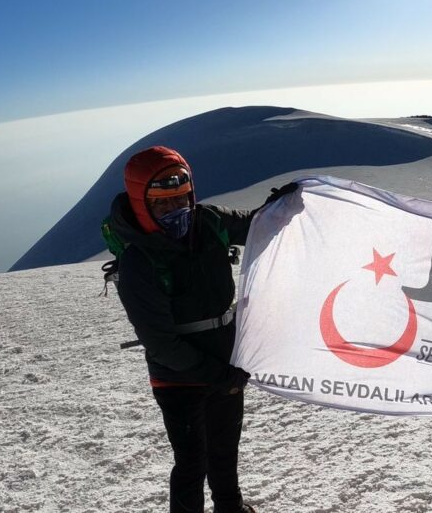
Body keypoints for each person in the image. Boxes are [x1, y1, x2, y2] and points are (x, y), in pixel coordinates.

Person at [106, 145, 295, 513]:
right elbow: (161, 344)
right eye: (162, 204)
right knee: (193, 463)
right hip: (180, 379)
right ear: (142, 203)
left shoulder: (208, 222)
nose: (175, 211)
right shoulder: (138, 263)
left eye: (181, 199)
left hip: (225, 362)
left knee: (225, 449)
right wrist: (219, 375)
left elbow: (256, 223)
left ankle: (230, 507)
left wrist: (281, 206)